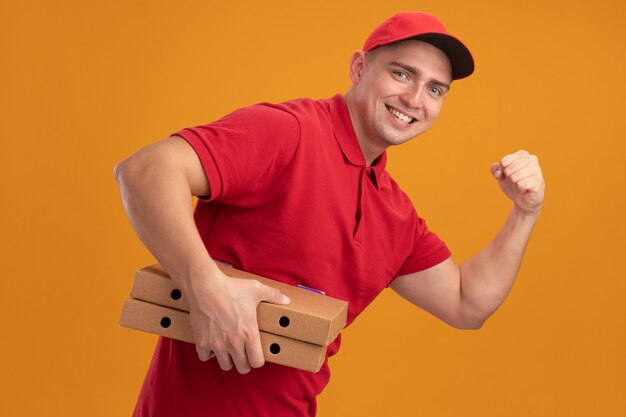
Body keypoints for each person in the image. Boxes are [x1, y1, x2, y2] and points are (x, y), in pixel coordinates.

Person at [114, 11, 545, 417]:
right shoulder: (290, 132)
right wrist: (205, 285)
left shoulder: (396, 215)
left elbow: (466, 303)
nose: (415, 99)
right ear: (359, 68)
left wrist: (525, 212)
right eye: (402, 73)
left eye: (435, 89)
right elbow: (145, 171)